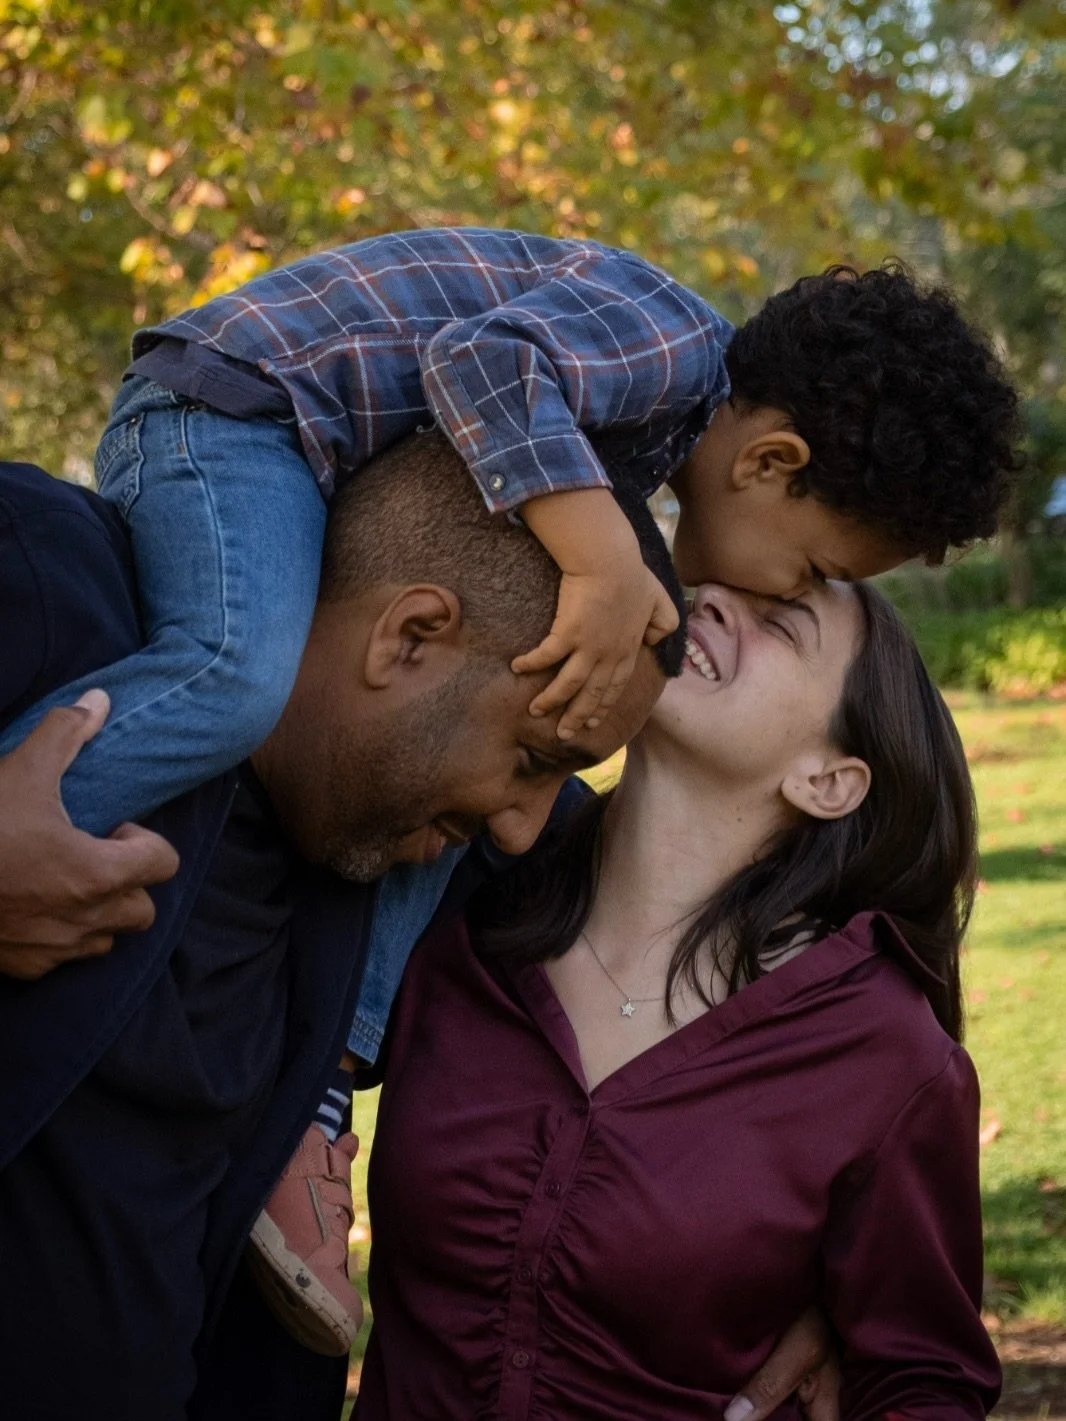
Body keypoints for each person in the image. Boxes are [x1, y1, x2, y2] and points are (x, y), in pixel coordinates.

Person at [0, 434, 670, 1421]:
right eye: (533, 756)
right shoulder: (46, 584)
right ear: (408, 636)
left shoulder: (401, 837)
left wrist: (835, 1295)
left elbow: (765, 894)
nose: (526, 821)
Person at [0, 232, 1020, 848]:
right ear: (769, 464)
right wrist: (597, 555)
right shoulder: (668, 340)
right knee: (232, 673)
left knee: (469, 789)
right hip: (234, 410)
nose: (775, 593)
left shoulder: (653, 438)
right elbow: (479, 361)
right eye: (809, 569)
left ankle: (343, 1051)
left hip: (302, 457)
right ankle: (26, 819)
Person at [354, 575, 1002, 1418]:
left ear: (829, 780)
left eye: (784, 621)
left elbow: (924, 1381)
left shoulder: (882, 1055)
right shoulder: (455, 903)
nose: (711, 600)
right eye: (716, 586)